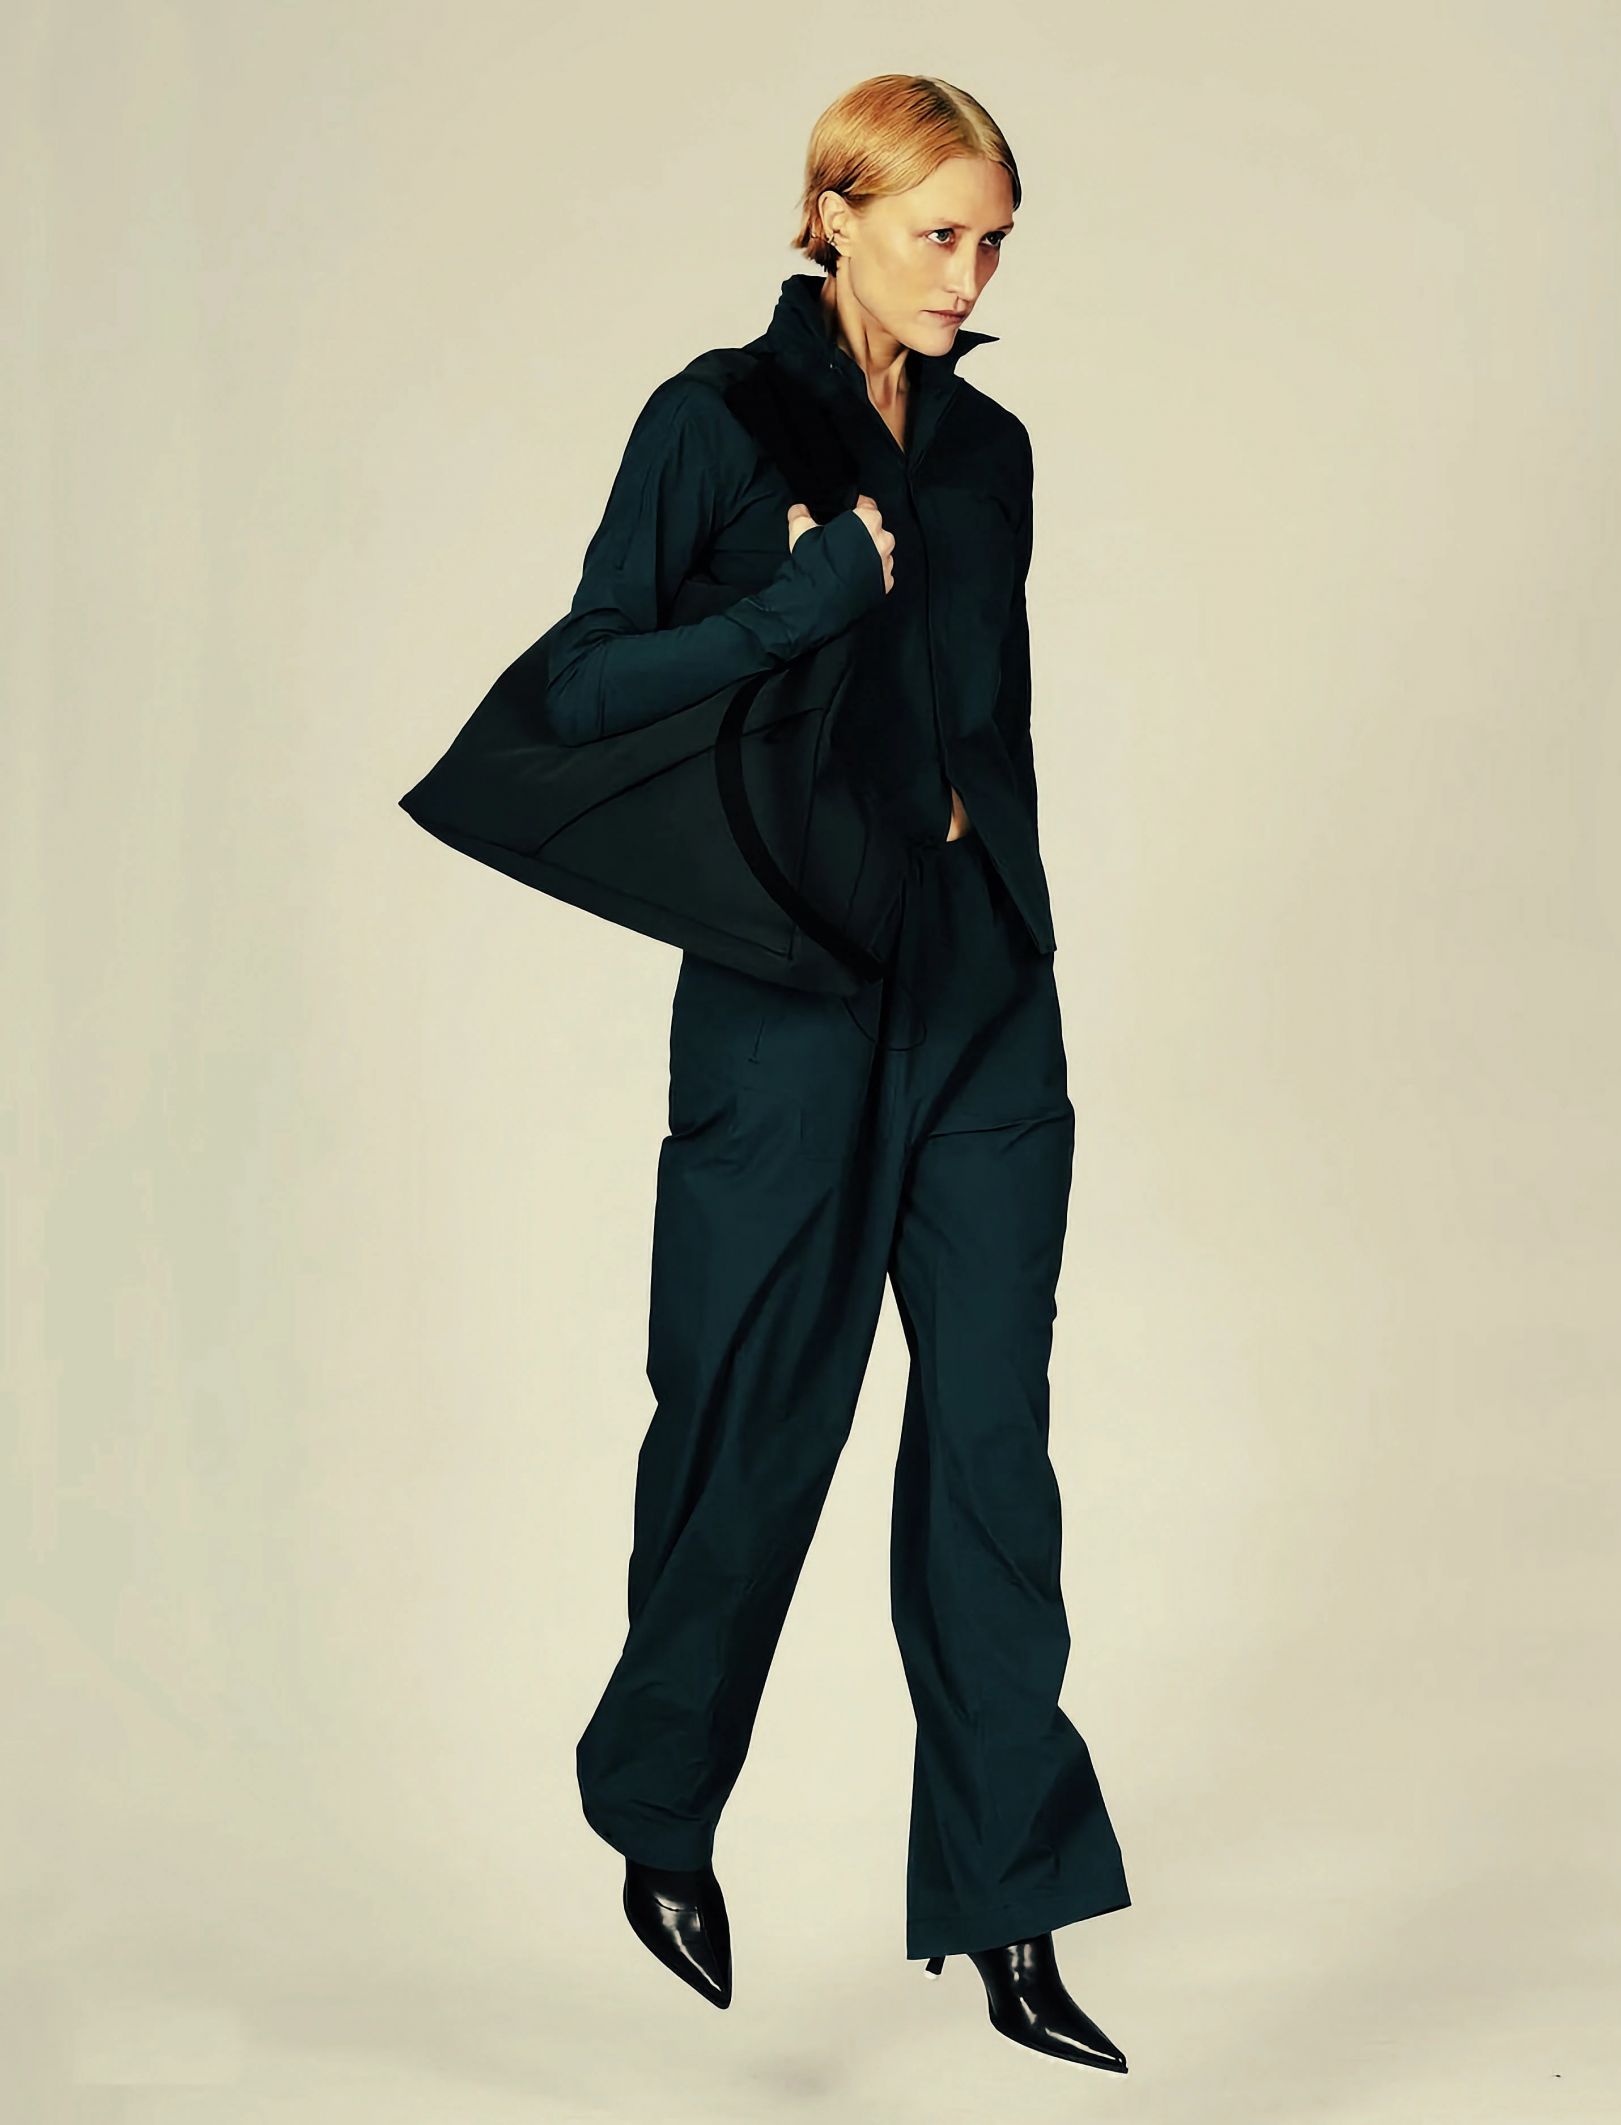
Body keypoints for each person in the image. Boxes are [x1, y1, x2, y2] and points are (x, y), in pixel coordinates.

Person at [563, 75, 1131, 2073]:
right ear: (833, 214)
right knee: (745, 1424)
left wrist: (1015, 912)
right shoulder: (712, 426)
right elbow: (587, 681)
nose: (973, 276)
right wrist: (798, 600)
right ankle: (656, 1809)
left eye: (995, 241)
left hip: (978, 995)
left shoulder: (991, 451)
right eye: (938, 235)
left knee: (991, 1455)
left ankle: (1012, 1902)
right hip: (790, 995)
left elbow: (990, 716)